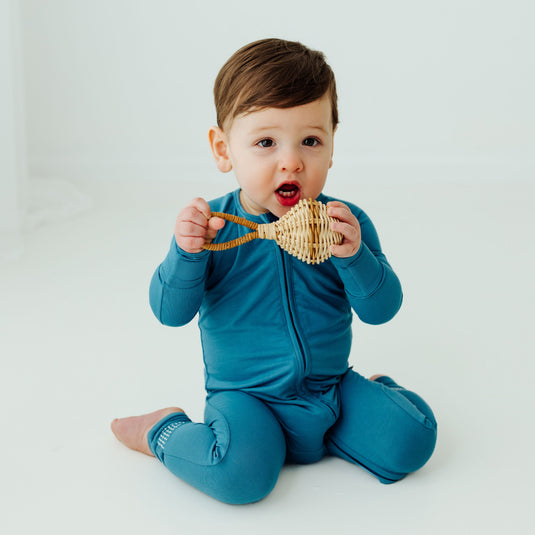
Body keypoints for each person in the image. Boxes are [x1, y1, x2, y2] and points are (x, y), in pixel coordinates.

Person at [111, 38, 437, 504]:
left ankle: (374, 395)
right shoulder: (214, 230)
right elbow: (169, 312)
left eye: (311, 141)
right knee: (239, 477)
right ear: (224, 150)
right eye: (266, 142)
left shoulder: (346, 225)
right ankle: (162, 431)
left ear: (331, 147)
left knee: (413, 440)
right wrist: (187, 255)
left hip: (331, 391)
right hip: (249, 402)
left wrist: (355, 257)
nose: (292, 161)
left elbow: (383, 309)